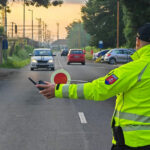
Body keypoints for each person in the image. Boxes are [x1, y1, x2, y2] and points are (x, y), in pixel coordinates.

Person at [36, 23, 150, 150]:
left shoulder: (135, 69)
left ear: (138, 41)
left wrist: (58, 90)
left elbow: (98, 90)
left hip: (135, 143)